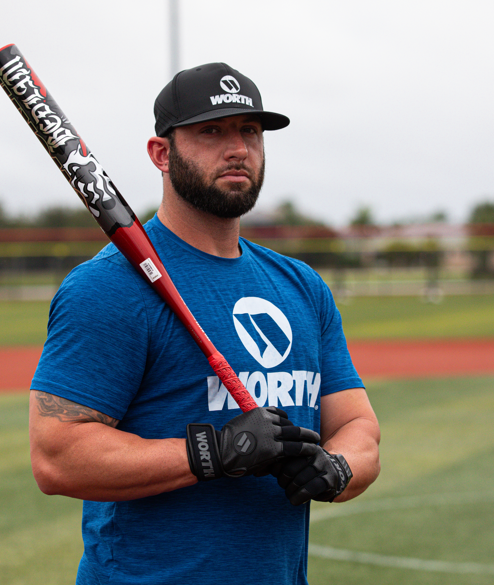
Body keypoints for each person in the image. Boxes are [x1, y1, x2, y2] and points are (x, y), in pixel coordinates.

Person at [29, 62, 380, 585]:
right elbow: (57, 457)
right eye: (211, 131)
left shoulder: (302, 287)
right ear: (161, 154)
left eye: (250, 131)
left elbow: (358, 428)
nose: (237, 148)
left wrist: (335, 468)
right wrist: (215, 452)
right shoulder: (108, 288)